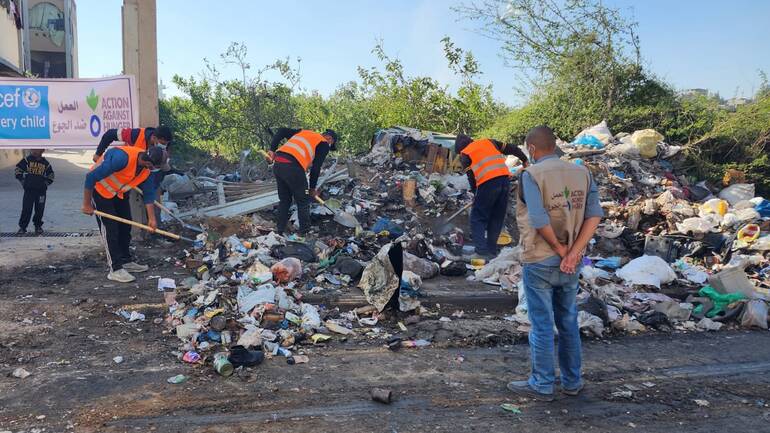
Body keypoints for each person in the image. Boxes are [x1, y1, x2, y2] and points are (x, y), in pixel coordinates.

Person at [507, 126, 603, 401]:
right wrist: (574, 252)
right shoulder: (582, 172)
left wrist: (561, 250)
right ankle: (573, 381)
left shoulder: (531, 174)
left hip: (540, 260)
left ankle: (543, 383)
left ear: (532, 149)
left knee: (542, 325)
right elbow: (594, 215)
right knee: (569, 321)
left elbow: (538, 219)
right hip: (571, 264)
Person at [81, 145, 165, 283]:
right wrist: (86, 204)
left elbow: (149, 194)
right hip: (100, 191)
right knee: (111, 229)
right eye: (154, 166)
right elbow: (90, 177)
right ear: (148, 162)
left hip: (118, 193)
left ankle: (125, 260)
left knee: (126, 225)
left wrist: (152, 219)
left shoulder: (146, 170)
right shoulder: (121, 158)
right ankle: (115, 268)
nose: (155, 170)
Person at [455, 134, 528, 260]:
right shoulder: (489, 142)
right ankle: (491, 251)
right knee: (496, 217)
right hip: (505, 181)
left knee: (477, 218)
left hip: (487, 184)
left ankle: (481, 252)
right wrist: (525, 159)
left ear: (460, 148)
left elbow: (472, 177)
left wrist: (475, 193)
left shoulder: (465, 154)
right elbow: (511, 148)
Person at [267, 128, 338, 235]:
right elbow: (316, 168)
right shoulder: (323, 144)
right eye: (330, 143)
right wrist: (312, 189)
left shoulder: (304, 132)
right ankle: (305, 233)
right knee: (303, 200)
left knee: (285, 200)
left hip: (278, 164)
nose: (329, 144)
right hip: (293, 167)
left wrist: (272, 150)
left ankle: (279, 231)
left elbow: (281, 131)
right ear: (329, 138)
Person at [15, 149, 54, 235]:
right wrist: (23, 181)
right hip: (29, 190)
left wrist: (45, 184)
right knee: (26, 209)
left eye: (36, 149)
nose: (33, 150)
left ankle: (38, 226)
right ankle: (22, 227)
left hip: (41, 192)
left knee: (40, 209)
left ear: (42, 151)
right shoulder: (26, 160)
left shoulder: (46, 164)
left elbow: (51, 176)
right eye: (33, 149)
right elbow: (18, 170)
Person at [92, 126, 174, 162]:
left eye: (166, 144)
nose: (164, 146)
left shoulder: (166, 147)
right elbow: (110, 134)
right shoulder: (136, 134)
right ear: (154, 137)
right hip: (125, 168)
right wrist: (98, 154)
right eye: (162, 143)